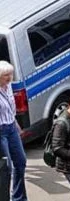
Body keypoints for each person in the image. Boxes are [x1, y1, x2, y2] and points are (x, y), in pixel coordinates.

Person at [0, 61, 27, 201]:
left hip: (11, 127)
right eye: (6, 75)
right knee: (6, 168)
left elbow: (11, 109)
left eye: (10, 74)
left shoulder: (8, 86)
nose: (9, 77)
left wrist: (16, 125)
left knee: (21, 161)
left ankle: (18, 197)